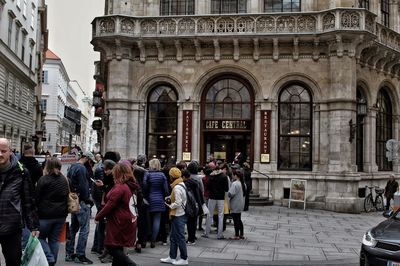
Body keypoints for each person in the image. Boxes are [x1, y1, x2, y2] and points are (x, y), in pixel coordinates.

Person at [0, 138, 40, 265]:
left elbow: (28, 200)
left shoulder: (21, 172)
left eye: (3, 151)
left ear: (10, 152)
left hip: (12, 226)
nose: (0, 154)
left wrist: (33, 226)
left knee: (13, 261)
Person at [95, 162, 141, 266]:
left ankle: (131, 265)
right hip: (128, 219)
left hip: (119, 221)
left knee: (112, 246)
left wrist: (98, 217)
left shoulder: (120, 187)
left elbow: (110, 205)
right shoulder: (130, 185)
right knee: (118, 247)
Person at [35, 157, 69, 265]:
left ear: (47, 166)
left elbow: (36, 198)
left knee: (40, 237)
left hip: (45, 215)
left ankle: (49, 258)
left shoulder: (43, 179)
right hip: (60, 215)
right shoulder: (64, 179)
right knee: (54, 240)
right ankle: (52, 262)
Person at [65, 151, 96, 264]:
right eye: (91, 161)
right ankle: (80, 255)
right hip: (82, 202)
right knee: (84, 229)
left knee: (73, 228)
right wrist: (88, 201)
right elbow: (83, 188)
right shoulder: (82, 169)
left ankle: (69, 253)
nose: (91, 164)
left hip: (74, 200)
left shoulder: (72, 166)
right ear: (87, 159)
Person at [161, 167, 188, 265]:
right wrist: (169, 198)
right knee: (173, 236)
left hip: (178, 214)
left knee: (180, 237)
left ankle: (184, 258)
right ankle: (172, 257)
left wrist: (169, 205)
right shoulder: (181, 184)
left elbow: (178, 202)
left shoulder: (176, 187)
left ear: (172, 177)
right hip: (179, 214)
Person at [146, 158, 169, 248]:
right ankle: (153, 240)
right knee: (157, 220)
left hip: (149, 199)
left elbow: (144, 186)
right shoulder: (162, 175)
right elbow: (166, 190)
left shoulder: (147, 174)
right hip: (159, 199)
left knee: (148, 220)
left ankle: (148, 237)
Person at [203, 165, 229, 240]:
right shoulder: (224, 176)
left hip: (212, 197)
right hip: (221, 197)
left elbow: (207, 187)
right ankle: (219, 234)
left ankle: (206, 233)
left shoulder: (211, 176)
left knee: (209, 214)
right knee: (221, 215)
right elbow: (226, 189)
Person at [228, 169, 246, 240]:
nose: (232, 176)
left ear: (236, 176)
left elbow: (230, 194)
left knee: (236, 220)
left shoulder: (235, 183)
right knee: (239, 219)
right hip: (240, 203)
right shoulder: (243, 183)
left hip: (235, 203)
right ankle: (241, 234)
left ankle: (236, 235)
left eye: (233, 175)